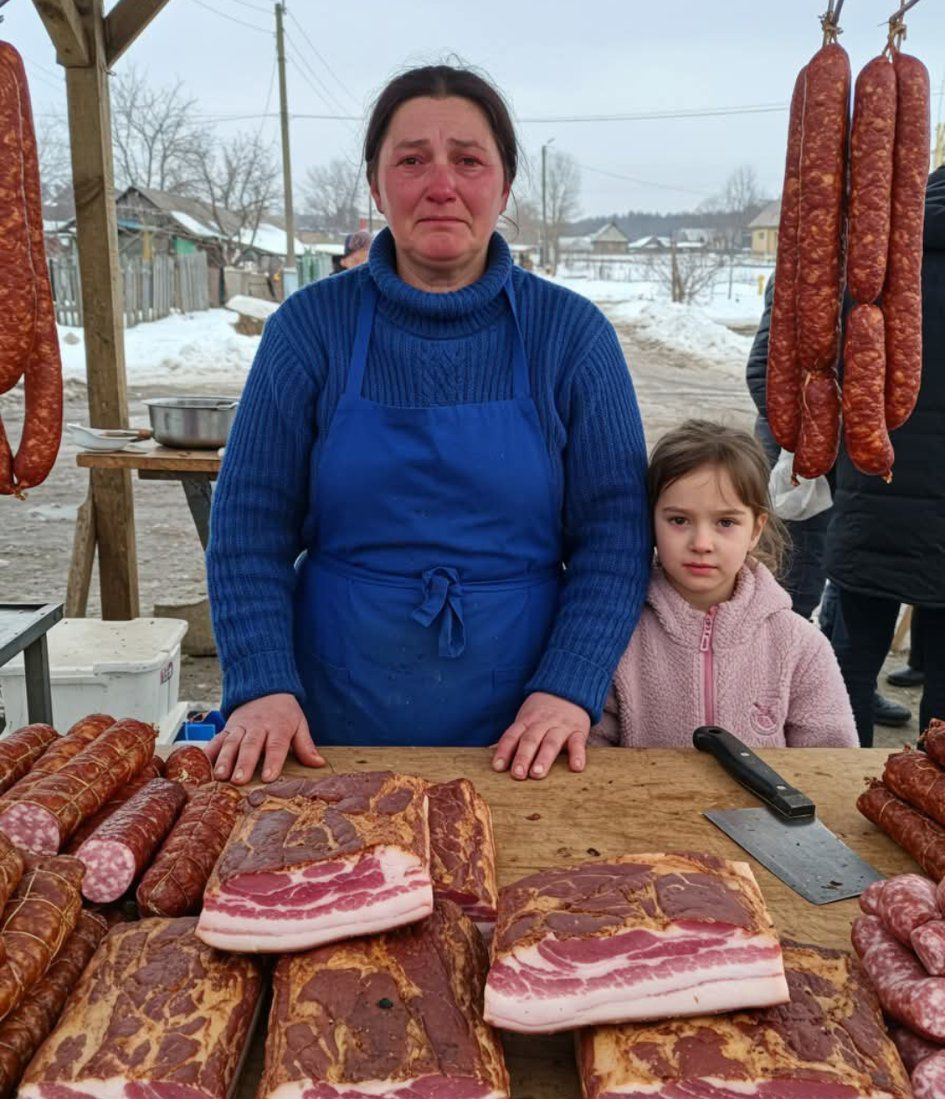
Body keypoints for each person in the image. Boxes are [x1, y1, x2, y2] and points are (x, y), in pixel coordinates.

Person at [205, 64, 650, 786]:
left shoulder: (571, 336)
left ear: (503, 187)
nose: (440, 184)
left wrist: (568, 685)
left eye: (468, 161)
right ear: (377, 187)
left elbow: (615, 537)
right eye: (411, 160)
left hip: (525, 732)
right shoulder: (307, 330)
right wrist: (261, 682)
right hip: (326, 723)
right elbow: (248, 528)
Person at [590, 421, 858, 748]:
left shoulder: (799, 646)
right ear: (650, 520)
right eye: (678, 520)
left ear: (756, 530)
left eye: (726, 522)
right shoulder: (614, 634)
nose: (702, 543)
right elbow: (592, 758)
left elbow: (830, 765)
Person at [746, 276, 911, 729]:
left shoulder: (892, 276)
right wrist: (815, 438)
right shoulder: (805, 272)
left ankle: (834, 686)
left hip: (867, 465)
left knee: (850, 582)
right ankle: (765, 703)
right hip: (800, 464)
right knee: (792, 584)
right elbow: (762, 370)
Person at [825, 165, 945, 747]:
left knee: (848, 658)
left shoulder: (868, 247)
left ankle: (836, 790)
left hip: (868, 491)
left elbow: (791, 362)